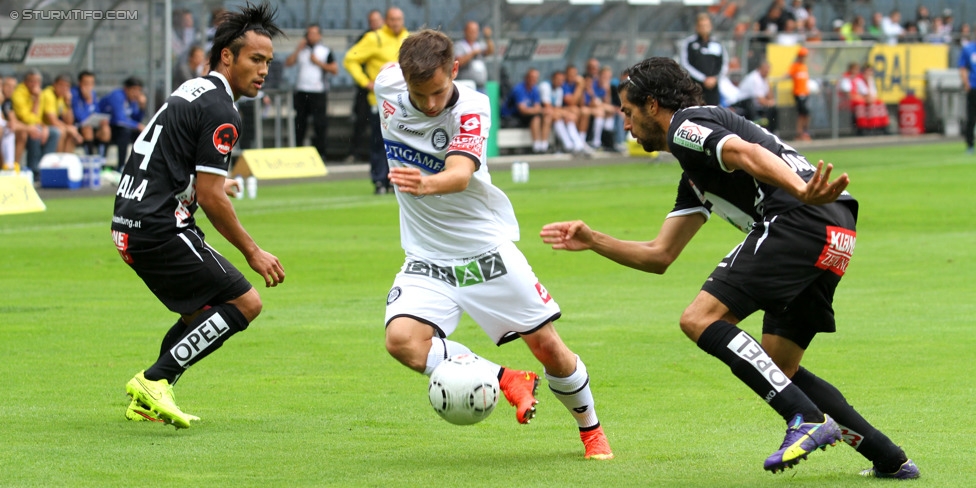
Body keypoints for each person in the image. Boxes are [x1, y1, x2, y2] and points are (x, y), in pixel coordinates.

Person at [540, 57, 919, 479]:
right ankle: (889, 458)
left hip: (800, 218)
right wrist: (594, 241)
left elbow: (745, 152)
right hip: (833, 231)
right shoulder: (695, 173)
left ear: (651, 105)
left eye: (627, 113)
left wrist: (799, 191)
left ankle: (804, 418)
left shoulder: (685, 126)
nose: (626, 126)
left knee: (699, 319)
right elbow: (660, 254)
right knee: (780, 368)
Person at [380, 29, 613, 460]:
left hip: (484, 256)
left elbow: (460, 173)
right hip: (427, 259)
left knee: (548, 347)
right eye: (419, 93)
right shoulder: (387, 85)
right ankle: (508, 379)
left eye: (437, 91)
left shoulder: (471, 106)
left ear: (454, 69)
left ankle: (591, 430)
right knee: (403, 341)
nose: (429, 104)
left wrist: (426, 184)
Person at [114, 2, 285, 429]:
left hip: (129, 222)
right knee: (246, 302)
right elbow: (210, 197)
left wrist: (198, 186)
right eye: (255, 59)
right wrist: (253, 251)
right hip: (160, 225)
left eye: (268, 62)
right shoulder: (221, 110)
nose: (263, 70)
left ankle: (146, 399)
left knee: (204, 313)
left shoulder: (192, 90)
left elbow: (161, 158)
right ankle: (156, 380)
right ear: (227, 56)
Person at [343, 7, 409, 195]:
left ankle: (397, 180)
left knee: (403, 143)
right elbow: (350, 59)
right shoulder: (375, 38)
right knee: (380, 143)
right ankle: (380, 180)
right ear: (386, 20)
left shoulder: (408, 38)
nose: (396, 22)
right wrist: (365, 82)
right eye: (393, 19)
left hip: (406, 102)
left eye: (399, 19)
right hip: (381, 102)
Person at [285, 24, 338, 161]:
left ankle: (321, 153)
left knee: (319, 123)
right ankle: (298, 151)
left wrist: (318, 63)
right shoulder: (302, 50)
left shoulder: (324, 51)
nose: (311, 36)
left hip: (318, 91)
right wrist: (298, 49)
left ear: (319, 35)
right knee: (300, 123)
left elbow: (334, 70)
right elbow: (289, 63)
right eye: (309, 34)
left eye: (314, 34)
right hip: (302, 91)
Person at [346, 9, 385, 163]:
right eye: (372, 21)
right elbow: (353, 59)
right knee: (361, 121)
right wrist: (365, 80)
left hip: (386, 92)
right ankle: (355, 152)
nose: (374, 23)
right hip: (366, 90)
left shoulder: (388, 38)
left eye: (376, 20)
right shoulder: (366, 38)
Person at [11, 69, 60, 178]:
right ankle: (34, 169)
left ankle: (45, 166)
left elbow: (38, 117)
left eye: (38, 81)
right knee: (35, 133)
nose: (35, 84)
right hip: (22, 128)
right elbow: (27, 119)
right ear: (25, 81)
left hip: (35, 126)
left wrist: (44, 127)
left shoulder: (39, 93)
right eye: (32, 81)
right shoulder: (18, 93)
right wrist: (37, 99)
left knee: (55, 132)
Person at [680, 12, 729, 106]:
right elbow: (685, 63)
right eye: (701, 26)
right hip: (695, 87)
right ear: (696, 27)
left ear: (711, 26)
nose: (704, 28)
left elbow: (724, 63)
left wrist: (715, 78)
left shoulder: (717, 43)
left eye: (706, 25)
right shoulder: (689, 43)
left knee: (713, 113)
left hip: (713, 88)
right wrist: (703, 78)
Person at [98, 76, 146, 171]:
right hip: (105, 125)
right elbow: (119, 119)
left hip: (118, 126)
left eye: (139, 90)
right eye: (134, 90)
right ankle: (121, 166)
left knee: (142, 134)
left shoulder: (132, 100)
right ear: (126, 89)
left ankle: (140, 167)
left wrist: (142, 106)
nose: (137, 94)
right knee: (125, 132)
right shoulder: (117, 96)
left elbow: (136, 118)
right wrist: (137, 125)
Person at [538, 69, 589, 155]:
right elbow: (547, 107)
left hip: (553, 112)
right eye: (558, 79)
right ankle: (547, 146)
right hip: (540, 113)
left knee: (568, 116)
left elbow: (557, 108)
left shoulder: (559, 90)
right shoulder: (545, 86)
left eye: (562, 80)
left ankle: (577, 145)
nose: (560, 82)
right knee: (556, 115)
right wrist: (565, 113)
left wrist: (566, 114)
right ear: (553, 78)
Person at [502, 68, 551, 154]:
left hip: (526, 115)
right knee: (536, 118)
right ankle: (536, 146)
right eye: (532, 77)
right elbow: (522, 110)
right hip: (511, 117)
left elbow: (537, 106)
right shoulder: (519, 89)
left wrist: (539, 110)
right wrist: (539, 110)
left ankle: (543, 146)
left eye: (536, 78)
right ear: (526, 77)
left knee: (544, 117)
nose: (534, 80)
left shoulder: (534, 89)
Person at [40, 74, 84, 154]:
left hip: (49, 126)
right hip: (40, 125)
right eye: (61, 85)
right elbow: (53, 121)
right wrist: (69, 129)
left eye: (67, 87)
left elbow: (69, 121)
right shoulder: (48, 95)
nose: (64, 89)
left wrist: (68, 103)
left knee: (70, 132)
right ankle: (58, 161)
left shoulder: (61, 98)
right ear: (54, 85)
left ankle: (66, 160)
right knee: (62, 131)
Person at [71, 71, 111, 157]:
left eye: (91, 83)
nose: (89, 86)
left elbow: (96, 111)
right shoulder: (74, 94)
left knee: (105, 129)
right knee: (87, 129)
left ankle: (102, 160)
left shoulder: (93, 94)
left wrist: (101, 120)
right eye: (86, 83)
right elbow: (79, 117)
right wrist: (88, 101)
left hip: (93, 126)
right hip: (78, 127)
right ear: (80, 83)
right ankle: (90, 159)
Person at [732, 60, 778, 133]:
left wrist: (768, 84)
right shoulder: (755, 78)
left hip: (754, 104)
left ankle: (771, 132)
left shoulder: (764, 78)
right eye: (765, 69)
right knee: (755, 106)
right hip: (743, 102)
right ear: (760, 68)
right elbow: (760, 100)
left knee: (774, 109)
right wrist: (770, 103)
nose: (767, 72)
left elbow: (770, 96)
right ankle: (755, 132)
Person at [454, 20, 494, 92]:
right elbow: (459, 62)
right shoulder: (459, 45)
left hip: (481, 87)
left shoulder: (479, 44)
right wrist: (472, 53)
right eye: (471, 31)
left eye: (476, 31)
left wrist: (488, 37)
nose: (474, 33)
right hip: (466, 87)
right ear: (465, 31)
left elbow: (490, 51)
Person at [2, 76, 29, 168]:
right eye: (8, 86)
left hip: (5, 128)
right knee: (4, 130)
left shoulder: (8, 101)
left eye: (13, 87)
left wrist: (30, 129)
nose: (11, 90)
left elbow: (13, 121)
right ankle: (4, 166)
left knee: (21, 133)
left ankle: (13, 166)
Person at [788, 46, 811, 140]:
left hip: (805, 93)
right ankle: (800, 133)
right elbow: (788, 75)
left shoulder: (804, 67)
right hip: (798, 93)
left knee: (804, 114)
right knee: (803, 114)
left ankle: (803, 132)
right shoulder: (795, 66)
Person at [960, 31, 976, 155]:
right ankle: (970, 144)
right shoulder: (968, 49)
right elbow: (963, 67)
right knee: (971, 117)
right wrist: (966, 84)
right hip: (973, 87)